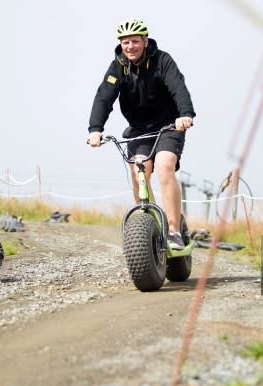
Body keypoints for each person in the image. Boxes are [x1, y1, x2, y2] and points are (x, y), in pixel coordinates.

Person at [87, 18, 195, 250]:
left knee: (165, 165)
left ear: (145, 41)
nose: (130, 47)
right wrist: (95, 129)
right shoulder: (118, 65)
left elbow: (178, 87)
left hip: (169, 126)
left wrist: (185, 113)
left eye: (135, 41)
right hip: (139, 129)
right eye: (126, 42)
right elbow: (104, 97)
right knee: (139, 173)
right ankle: (152, 227)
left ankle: (174, 231)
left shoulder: (162, 60)